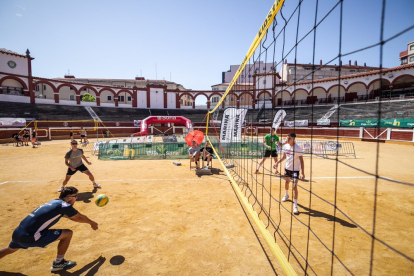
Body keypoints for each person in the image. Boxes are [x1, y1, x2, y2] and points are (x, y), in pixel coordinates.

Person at [0, 186, 98, 272]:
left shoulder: (54, 202)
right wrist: (92, 223)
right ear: (69, 198)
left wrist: (86, 221)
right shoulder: (64, 205)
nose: (77, 198)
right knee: (68, 233)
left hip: (18, 233)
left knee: (9, 250)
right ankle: (58, 263)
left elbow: (71, 217)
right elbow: (78, 217)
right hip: (31, 237)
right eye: (76, 196)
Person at [273, 133, 305, 215]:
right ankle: (286, 195)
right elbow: (284, 157)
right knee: (287, 182)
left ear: (294, 139)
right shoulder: (286, 146)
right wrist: (277, 163)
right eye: (287, 138)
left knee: (294, 186)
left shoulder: (298, 148)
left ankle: (295, 206)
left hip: (296, 170)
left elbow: (301, 161)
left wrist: (302, 173)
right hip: (287, 168)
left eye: (289, 138)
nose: (287, 140)